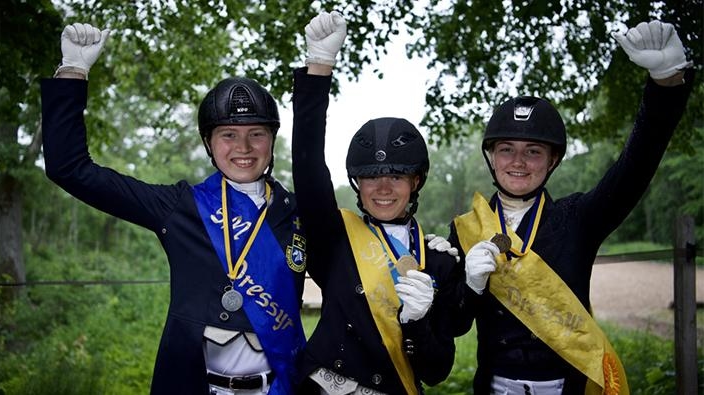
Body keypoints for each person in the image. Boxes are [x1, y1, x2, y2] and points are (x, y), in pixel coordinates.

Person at [42, 23, 308, 394]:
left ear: (271, 140)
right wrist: (72, 73)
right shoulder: (179, 207)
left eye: (256, 134)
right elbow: (70, 169)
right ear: (208, 143)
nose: (243, 147)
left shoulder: (299, 213)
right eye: (229, 135)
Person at [442, 20, 694, 394]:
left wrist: (665, 85)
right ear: (491, 158)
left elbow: (635, 166)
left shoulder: (578, 218)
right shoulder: (464, 229)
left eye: (533, 152)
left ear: (552, 161)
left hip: (568, 386)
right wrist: (469, 286)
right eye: (507, 150)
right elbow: (455, 324)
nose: (519, 162)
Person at [291, 11, 465, 395]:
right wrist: (319, 69)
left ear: (416, 181)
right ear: (357, 182)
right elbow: (307, 169)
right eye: (371, 176)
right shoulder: (335, 235)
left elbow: (437, 372)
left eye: (397, 176)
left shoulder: (439, 258)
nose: (383, 187)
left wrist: (419, 320)